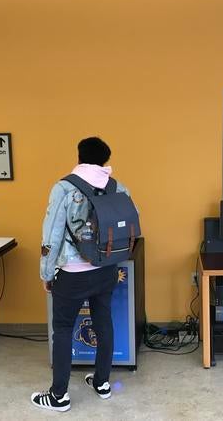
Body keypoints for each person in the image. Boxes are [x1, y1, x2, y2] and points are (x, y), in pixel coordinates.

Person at [31, 137, 131, 412]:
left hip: (73, 273)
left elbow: (50, 234)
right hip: (107, 269)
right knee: (104, 323)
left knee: (63, 329)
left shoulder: (64, 188)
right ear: (105, 160)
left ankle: (59, 396)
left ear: (79, 156)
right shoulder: (118, 187)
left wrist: (46, 273)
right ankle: (102, 382)